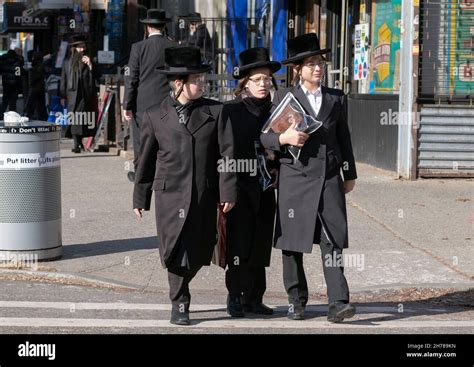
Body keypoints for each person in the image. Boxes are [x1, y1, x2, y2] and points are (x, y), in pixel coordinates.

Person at [133, 46, 237, 326]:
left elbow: (228, 155)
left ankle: (182, 287)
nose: (202, 83)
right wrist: (140, 197)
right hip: (169, 194)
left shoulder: (215, 111)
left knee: (201, 249)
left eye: (203, 79)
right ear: (178, 83)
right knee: (174, 249)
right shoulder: (154, 115)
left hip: (204, 192)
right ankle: (179, 301)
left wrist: (227, 190)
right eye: (197, 80)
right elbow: (145, 159)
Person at [260, 33, 358, 322]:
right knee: (292, 242)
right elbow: (263, 138)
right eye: (311, 64)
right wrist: (283, 137)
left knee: (333, 240)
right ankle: (296, 300)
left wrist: (349, 173)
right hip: (295, 178)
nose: (318, 68)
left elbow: (344, 137)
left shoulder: (336, 98)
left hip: (328, 178)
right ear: (297, 69)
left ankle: (338, 302)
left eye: (320, 63)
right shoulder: (282, 97)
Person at [222, 47, 280, 317]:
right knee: (239, 244)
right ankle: (235, 295)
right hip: (240, 187)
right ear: (245, 82)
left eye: (267, 79)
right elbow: (223, 153)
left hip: (266, 186)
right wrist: (226, 190)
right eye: (258, 79)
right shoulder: (231, 111)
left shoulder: (276, 109)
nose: (264, 84)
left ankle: (255, 298)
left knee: (260, 243)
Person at [123, 9, 176, 181]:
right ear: (164, 26)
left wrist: (127, 105)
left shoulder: (138, 48)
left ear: (147, 27)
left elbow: (131, 78)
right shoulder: (173, 46)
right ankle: (166, 175)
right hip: (167, 101)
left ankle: (141, 176)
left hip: (143, 103)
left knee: (142, 142)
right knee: (167, 139)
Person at [59, 34, 98, 153]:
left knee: (83, 118)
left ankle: (79, 142)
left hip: (86, 93)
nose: (81, 49)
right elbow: (63, 79)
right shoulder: (67, 62)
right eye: (79, 47)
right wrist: (62, 95)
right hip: (72, 94)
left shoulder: (90, 59)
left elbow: (97, 75)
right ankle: (77, 143)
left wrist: (90, 65)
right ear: (74, 48)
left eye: (83, 47)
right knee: (74, 118)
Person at [25, 52, 48, 121]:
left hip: (35, 88)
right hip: (39, 87)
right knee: (40, 104)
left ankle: (30, 116)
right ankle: (41, 117)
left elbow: (36, 76)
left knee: (33, 104)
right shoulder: (40, 64)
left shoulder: (38, 65)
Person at [0, 49, 24, 114]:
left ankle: (1, 115)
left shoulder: (2, 60)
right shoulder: (18, 60)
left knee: (5, 100)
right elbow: (21, 71)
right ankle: (12, 115)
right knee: (13, 101)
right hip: (15, 83)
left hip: (6, 83)